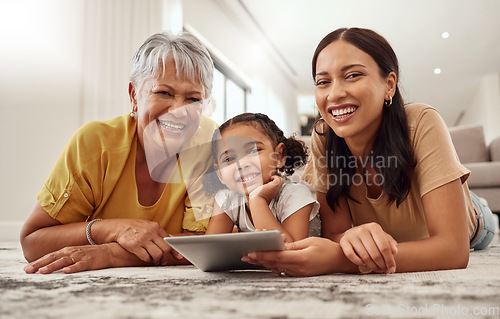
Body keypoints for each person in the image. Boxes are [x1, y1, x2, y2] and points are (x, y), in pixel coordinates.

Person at [242, 27, 496, 276]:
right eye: (323, 81)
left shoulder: (421, 121)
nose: (335, 93)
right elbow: (334, 233)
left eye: (352, 75)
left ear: (389, 85)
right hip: (392, 236)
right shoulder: (325, 136)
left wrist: (341, 260)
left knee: (480, 220)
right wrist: (348, 237)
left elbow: (453, 249)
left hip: (475, 222)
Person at [21, 31, 219, 274]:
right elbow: (32, 241)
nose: (179, 110)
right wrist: (110, 229)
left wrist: (110, 253)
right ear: (134, 95)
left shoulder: (211, 144)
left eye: (193, 98)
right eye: (164, 93)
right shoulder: (94, 144)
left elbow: (209, 244)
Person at [204, 113, 319, 243]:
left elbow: (291, 252)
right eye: (229, 159)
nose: (242, 164)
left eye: (253, 151)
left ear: (279, 156)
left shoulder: (295, 194)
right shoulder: (227, 198)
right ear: (220, 174)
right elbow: (211, 249)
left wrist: (257, 200)